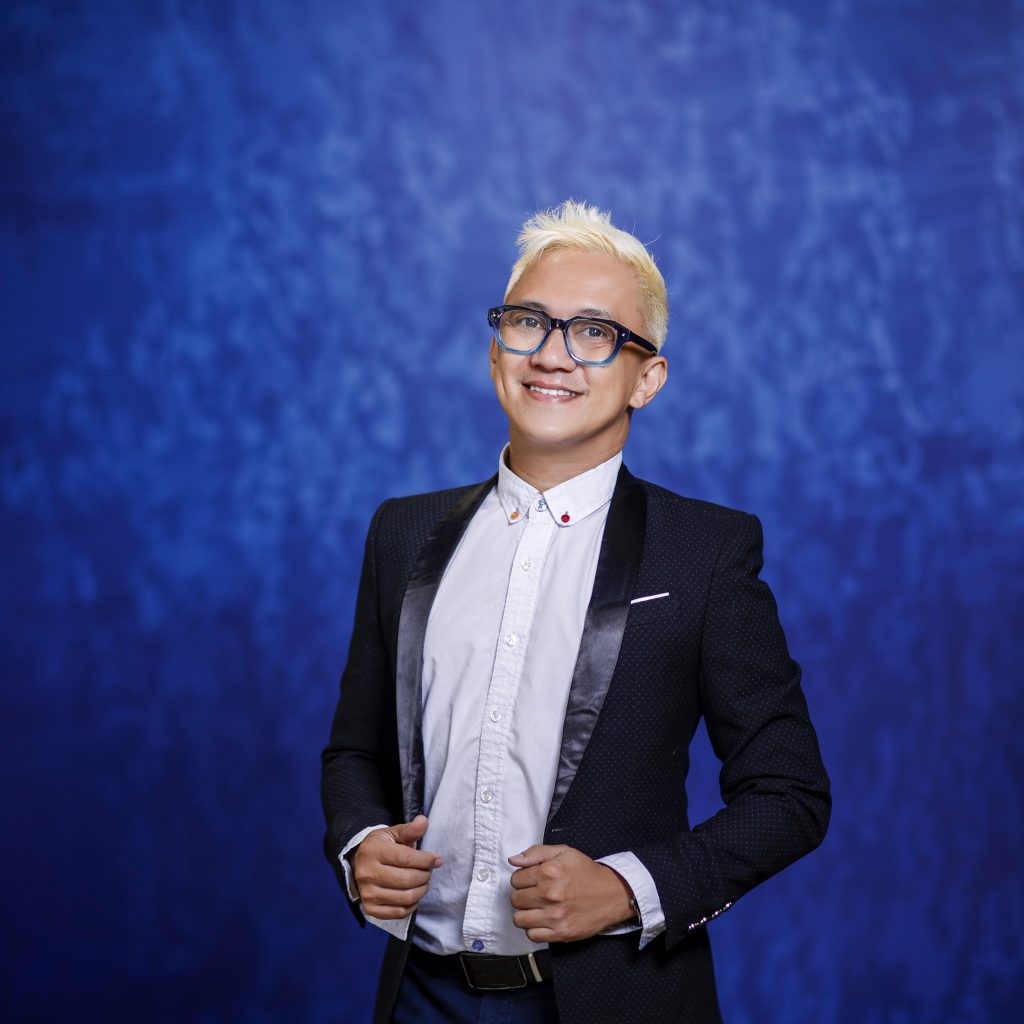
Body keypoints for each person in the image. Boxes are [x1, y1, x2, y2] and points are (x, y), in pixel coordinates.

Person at [321, 200, 830, 1024]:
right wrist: (358, 845)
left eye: (595, 332)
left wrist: (628, 889)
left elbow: (790, 796)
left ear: (647, 378)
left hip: (609, 1001)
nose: (552, 354)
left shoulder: (703, 554)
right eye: (530, 322)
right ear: (496, 349)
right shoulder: (404, 535)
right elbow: (355, 751)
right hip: (420, 996)